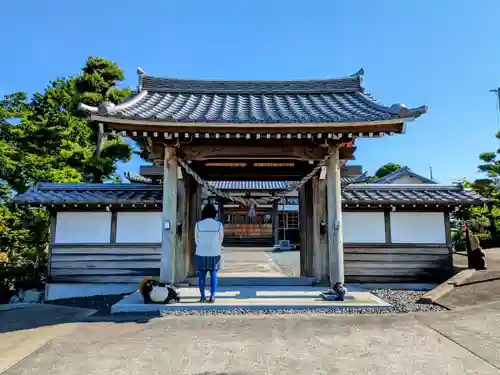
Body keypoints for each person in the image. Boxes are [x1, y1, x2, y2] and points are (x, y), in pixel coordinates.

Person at [195, 203, 224, 303]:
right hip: (214, 252)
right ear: (214, 213)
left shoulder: (198, 224)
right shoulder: (219, 224)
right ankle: (212, 296)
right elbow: (221, 239)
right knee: (213, 273)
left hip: (201, 252)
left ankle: (202, 296)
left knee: (202, 275)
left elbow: (196, 240)